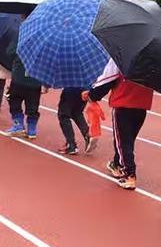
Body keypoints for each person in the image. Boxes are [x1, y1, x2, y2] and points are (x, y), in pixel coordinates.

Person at [87, 60, 153, 191]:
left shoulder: (121, 57)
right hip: (141, 106)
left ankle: (130, 174)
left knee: (123, 141)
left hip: (123, 104)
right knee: (127, 140)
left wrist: (92, 95)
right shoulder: (151, 61)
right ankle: (116, 164)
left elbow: (108, 79)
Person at [5, 37, 45, 139]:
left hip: (19, 76)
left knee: (14, 100)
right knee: (33, 104)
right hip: (35, 80)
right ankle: (32, 129)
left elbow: (9, 52)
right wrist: (46, 84)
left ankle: (18, 124)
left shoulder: (21, 36)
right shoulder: (45, 41)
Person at [57, 88, 92, 155]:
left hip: (70, 91)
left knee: (63, 116)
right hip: (84, 91)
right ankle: (87, 134)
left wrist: (46, 85)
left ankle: (71, 145)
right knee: (77, 113)